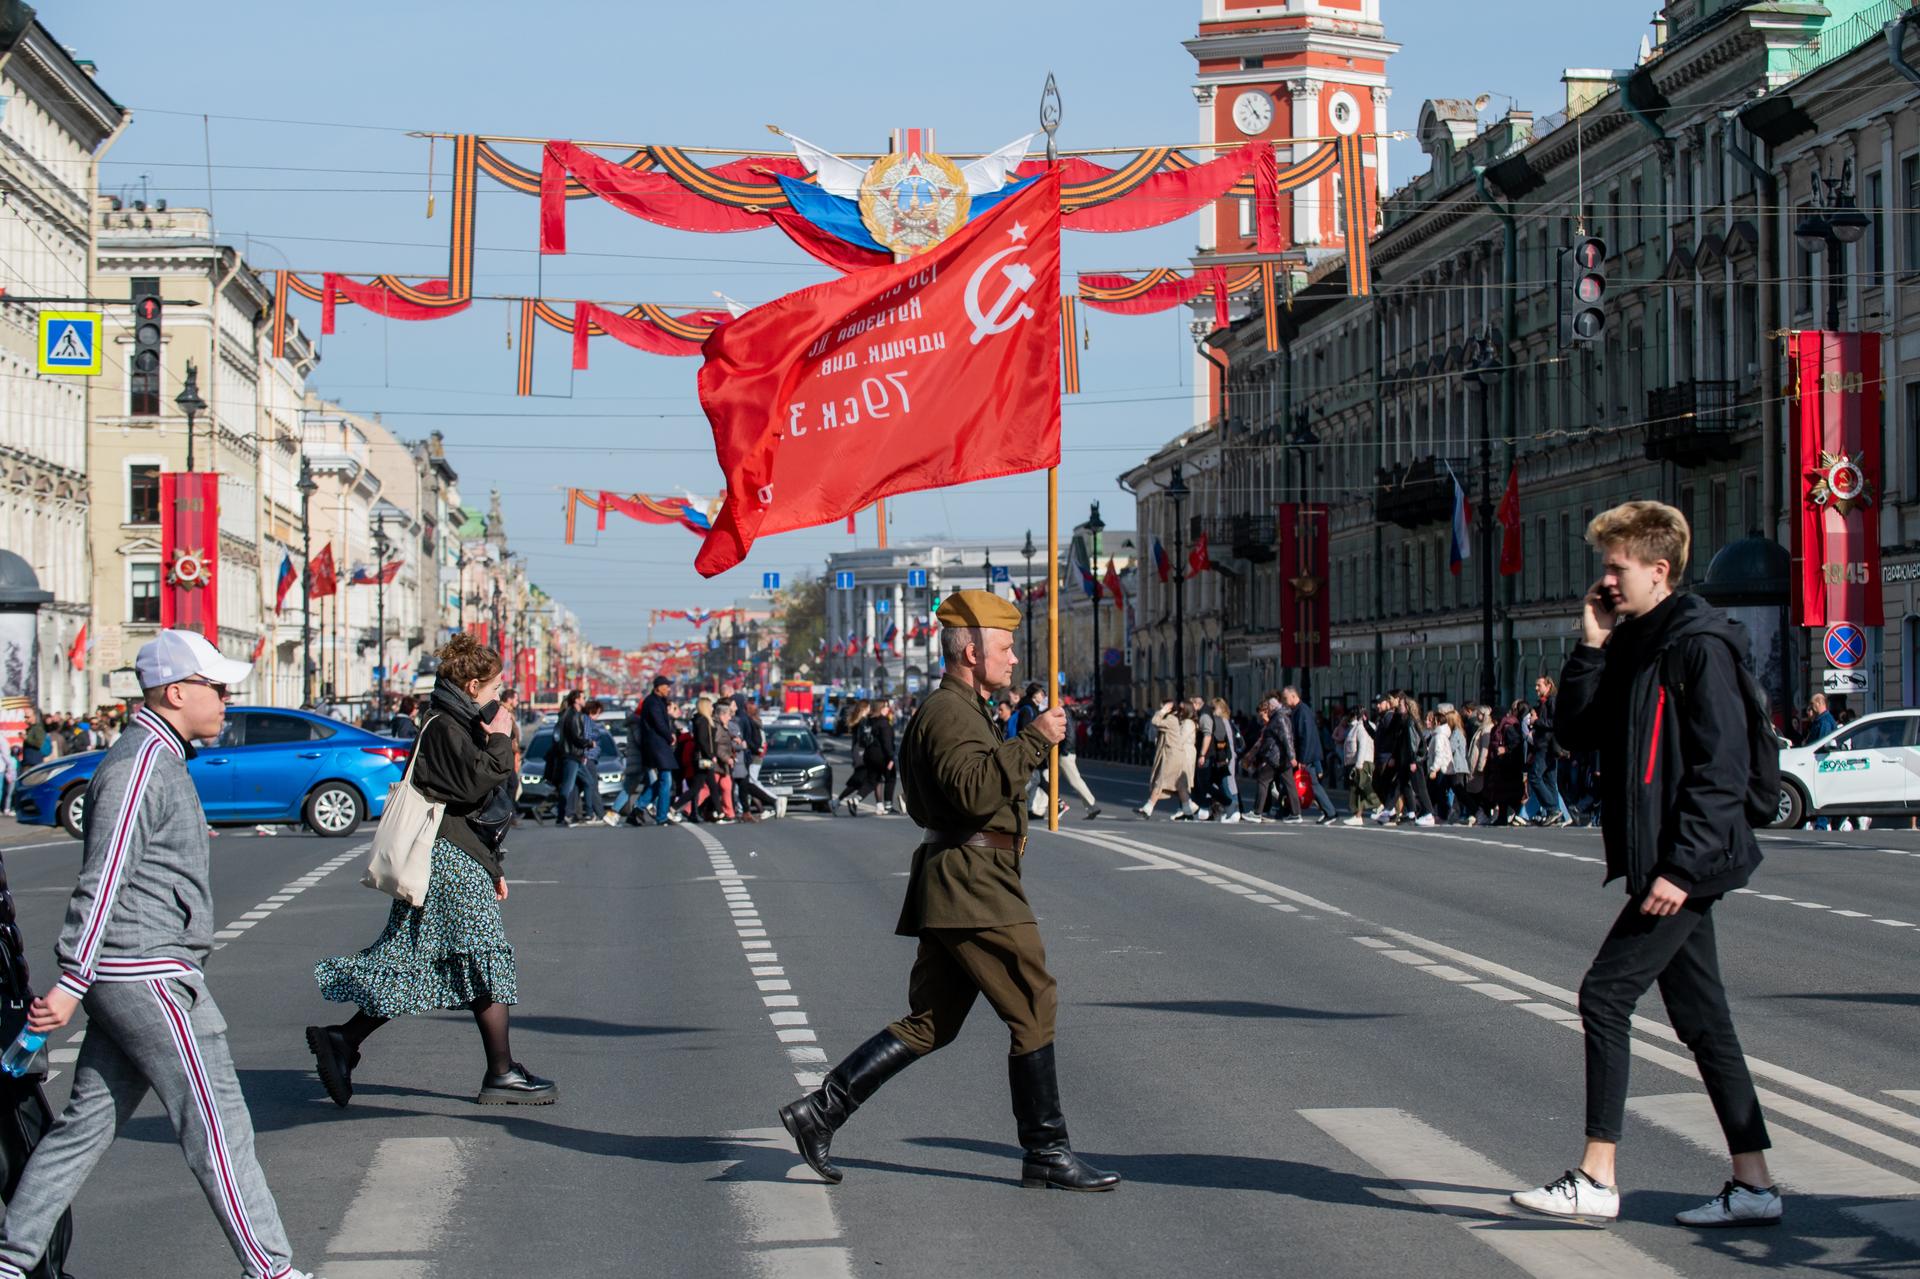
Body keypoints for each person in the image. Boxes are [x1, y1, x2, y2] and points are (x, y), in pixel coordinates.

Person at [0, 629, 321, 1279]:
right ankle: (273, 1270)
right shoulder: (141, 761)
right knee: (218, 1126)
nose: (228, 698)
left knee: (84, 1127)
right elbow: (105, 873)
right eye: (216, 686)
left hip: (135, 969)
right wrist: (71, 977)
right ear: (177, 692)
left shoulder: (155, 754)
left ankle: (9, 1260)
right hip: (144, 972)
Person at [777, 591, 1119, 1193]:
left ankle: (821, 1111)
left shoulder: (961, 708)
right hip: (973, 881)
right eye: (1006, 647)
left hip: (964, 875)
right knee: (1033, 1001)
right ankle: (1046, 1150)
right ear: (969, 650)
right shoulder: (950, 712)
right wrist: (1035, 740)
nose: (1014, 659)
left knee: (932, 1021)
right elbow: (970, 793)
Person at [1511, 500, 1777, 1228]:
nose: (1606, 579)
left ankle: (1597, 1175)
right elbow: (1574, 733)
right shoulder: (1635, 641)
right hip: (1664, 858)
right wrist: (1591, 644)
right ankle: (1754, 1182)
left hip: (1686, 863)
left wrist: (1682, 869)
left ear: (1659, 570)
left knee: (1604, 994)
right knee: (1703, 1020)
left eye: (1616, 566)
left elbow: (1720, 771)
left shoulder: (1699, 645)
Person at [309, 632, 555, 1109]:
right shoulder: (445, 725)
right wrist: (502, 737)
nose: (500, 698)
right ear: (473, 685)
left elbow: (468, 804)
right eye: (496, 689)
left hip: (456, 855)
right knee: (483, 957)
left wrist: (491, 865)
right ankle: (500, 1073)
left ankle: (344, 1039)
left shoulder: (454, 721)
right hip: (448, 860)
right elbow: (476, 783)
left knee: (416, 960)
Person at [1026, 700, 1102, 821]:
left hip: (1062, 753)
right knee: (1047, 778)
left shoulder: (1063, 713)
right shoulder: (1064, 712)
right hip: (1060, 753)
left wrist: (1065, 751)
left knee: (1072, 780)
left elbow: (1069, 734)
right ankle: (1038, 810)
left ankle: (1092, 805)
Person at [1282, 687, 1337, 824]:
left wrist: (1303, 759)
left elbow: (1306, 737)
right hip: (1307, 755)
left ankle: (1331, 812)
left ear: (1293, 696)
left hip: (1308, 756)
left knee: (1314, 785)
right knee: (1311, 785)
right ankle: (1326, 812)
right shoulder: (1299, 711)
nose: (1284, 701)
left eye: (1286, 698)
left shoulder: (1302, 712)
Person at [1138, 701, 1198, 820]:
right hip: (1176, 754)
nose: (1160, 709)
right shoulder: (1175, 720)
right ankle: (1188, 806)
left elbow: (1155, 721)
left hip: (1172, 755)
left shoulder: (1172, 719)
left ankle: (1148, 807)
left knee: (1161, 780)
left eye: (1163, 707)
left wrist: (1162, 711)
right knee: (1180, 784)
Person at [551, 690, 591, 827]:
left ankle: (584, 813)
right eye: (583, 697)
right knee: (567, 787)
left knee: (587, 782)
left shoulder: (573, 714)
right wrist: (588, 743)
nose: (585, 700)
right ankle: (563, 815)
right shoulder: (572, 715)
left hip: (576, 756)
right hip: (571, 756)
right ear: (576, 700)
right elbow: (575, 737)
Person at [1338, 707, 1376, 826]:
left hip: (1361, 762)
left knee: (1363, 787)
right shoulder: (1354, 728)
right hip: (1357, 762)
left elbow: (1363, 745)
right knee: (1358, 789)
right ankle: (1357, 815)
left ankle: (1379, 806)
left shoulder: (1360, 728)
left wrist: (1359, 764)